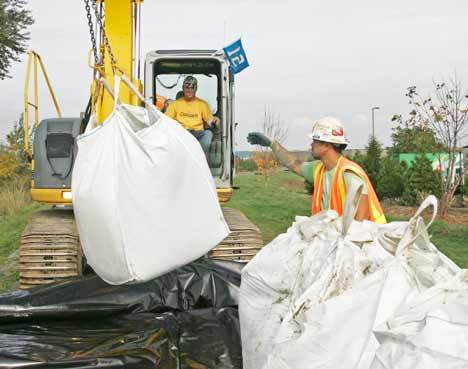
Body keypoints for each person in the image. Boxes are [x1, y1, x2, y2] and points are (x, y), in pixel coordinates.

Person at [247, 116, 386, 223]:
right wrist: (272, 144)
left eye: (315, 140)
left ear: (326, 145)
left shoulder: (349, 173)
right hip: (337, 240)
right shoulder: (319, 169)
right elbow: (294, 164)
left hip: (366, 247)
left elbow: (361, 216)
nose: (311, 144)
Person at [165, 76, 220, 155]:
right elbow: (166, 120)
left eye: (192, 87)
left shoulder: (202, 104)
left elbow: (210, 120)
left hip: (198, 133)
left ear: (196, 89)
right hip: (181, 133)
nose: (189, 90)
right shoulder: (175, 104)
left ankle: (200, 157)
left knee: (208, 133)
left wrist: (215, 121)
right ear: (183, 88)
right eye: (187, 87)